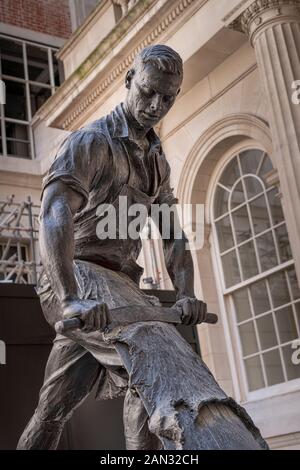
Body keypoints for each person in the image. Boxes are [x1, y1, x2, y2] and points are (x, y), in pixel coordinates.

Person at [17, 45, 267, 450]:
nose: (156, 105)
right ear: (129, 81)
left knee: (53, 408)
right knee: (151, 355)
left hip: (118, 288)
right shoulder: (91, 142)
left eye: (168, 98)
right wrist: (70, 299)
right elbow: (53, 213)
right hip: (74, 274)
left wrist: (187, 294)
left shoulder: (156, 161)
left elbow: (173, 235)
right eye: (148, 92)